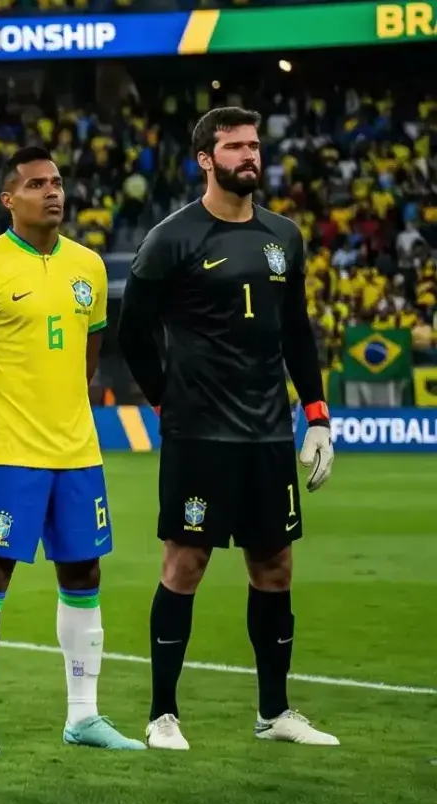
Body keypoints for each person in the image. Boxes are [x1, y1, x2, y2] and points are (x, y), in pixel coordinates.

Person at [118, 107, 338, 749]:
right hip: (200, 436)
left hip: (269, 434)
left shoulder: (284, 238)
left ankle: (275, 714)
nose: (250, 156)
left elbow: (296, 330)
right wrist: (164, 400)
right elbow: (133, 334)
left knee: (275, 568)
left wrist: (316, 415)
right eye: (235, 147)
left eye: (254, 145)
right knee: (185, 563)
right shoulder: (172, 238)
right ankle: (163, 715)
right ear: (205, 160)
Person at [0, 145, 141, 753]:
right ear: (8, 199)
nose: (52, 192)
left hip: (78, 453)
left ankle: (84, 716)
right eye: (35, 184)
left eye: (56, 182)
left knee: (83, 571)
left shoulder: (90, 267)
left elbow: (90, 351)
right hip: (8, 455)